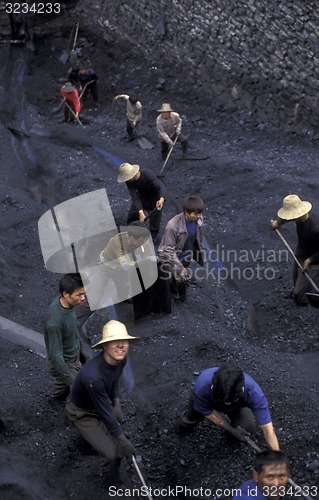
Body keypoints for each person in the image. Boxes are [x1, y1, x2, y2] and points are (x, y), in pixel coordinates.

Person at [65, 320, 139, 487]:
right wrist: (122, 440)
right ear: (105, 346)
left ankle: (84, 446)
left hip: (96, 403)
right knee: (114, 455)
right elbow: (105, 413)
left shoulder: (121, 360)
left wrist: (117, 402)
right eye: (114, 342)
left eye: (124, 341)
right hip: (82, 412)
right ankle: (111, 483)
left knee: (94, 439)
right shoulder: (94, 376)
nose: (121, 346)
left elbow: (114, 381)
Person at [176, 364, 280, 450]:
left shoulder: (254, 393)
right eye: (224, 401)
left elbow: (268, 430)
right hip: (208, 400)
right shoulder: (203, 384)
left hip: (237, 406)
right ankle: (181, 431)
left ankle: (231, 439)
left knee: (247, 425)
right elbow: (207, 411)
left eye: (230, 401)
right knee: (189, 419)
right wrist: (230, 429)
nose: (226, 404)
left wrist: (276, 457)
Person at [84, 222, 154, 309]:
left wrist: (150, 259)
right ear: (132, 238)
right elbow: (126, 266)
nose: (145, 242)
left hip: (121, 269)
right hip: (106, 266)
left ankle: (123, 298)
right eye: (142, 241)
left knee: (124, 289)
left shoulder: (143, 240)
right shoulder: (118, 242)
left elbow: (149, 254)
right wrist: (142, 262)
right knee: (94, 298)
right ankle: (89, 307)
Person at [44, 273, 89, 400]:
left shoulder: (69, 305)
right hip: (64, 363)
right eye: (79, 295)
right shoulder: (54, 322)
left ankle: (56, 398)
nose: (83, 298)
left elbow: (73, 328)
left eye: (84, 294)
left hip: (73, 358)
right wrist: (71, 381)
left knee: (62, 387)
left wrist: (81, 348)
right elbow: (55, 356)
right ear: (65, 294)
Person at [270, 194, 319, 306]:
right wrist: (278, 223)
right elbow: (286, 217)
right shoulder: (299, 217)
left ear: (299, 213)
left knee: (297, 292)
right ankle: (301, 290)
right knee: (295, 277)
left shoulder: (315, 229)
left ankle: (302, 300)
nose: (290, 218)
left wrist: (310, 260)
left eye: (292, 216)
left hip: (314, 260)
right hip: (301, 253)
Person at [158, 195, 205, 302]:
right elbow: (168, 250)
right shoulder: (173, 226)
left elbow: (197, 236)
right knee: (177, 276)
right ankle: (175, 295)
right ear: (186, 213)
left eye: (200, 213)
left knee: (182, 276)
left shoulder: (198, 219)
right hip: (172, 257)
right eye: (196, 214)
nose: (199, 216)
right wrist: (180, 268)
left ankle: (180, 290)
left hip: (186, 255)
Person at [117, 162, 166, 242]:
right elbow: (135, 197)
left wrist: (161, 199)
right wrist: (141, 213)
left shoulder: (147, 173)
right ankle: (131, 231)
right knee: (132, 214)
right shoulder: (129, 181)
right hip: (142, 197)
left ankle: (152, 237)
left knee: (155, 218)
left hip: (155, 198)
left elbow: (161, 186)